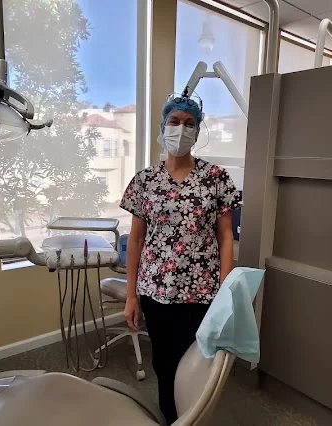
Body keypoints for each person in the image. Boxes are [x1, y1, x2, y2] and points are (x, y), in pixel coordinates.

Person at [119, 95, 241, 424]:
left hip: (202, 292)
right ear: (163, 128)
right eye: (174, 122)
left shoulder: (216, 178)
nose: (181, 129)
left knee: (197, 364)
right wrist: (131, 296)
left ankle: (192, 417)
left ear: (197, 132)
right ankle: (170, 417)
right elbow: (136, 239)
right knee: (163, 363)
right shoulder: (144, 181)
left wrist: (223, 293)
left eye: (189, 124)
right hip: (155, 291)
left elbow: (226, 237)